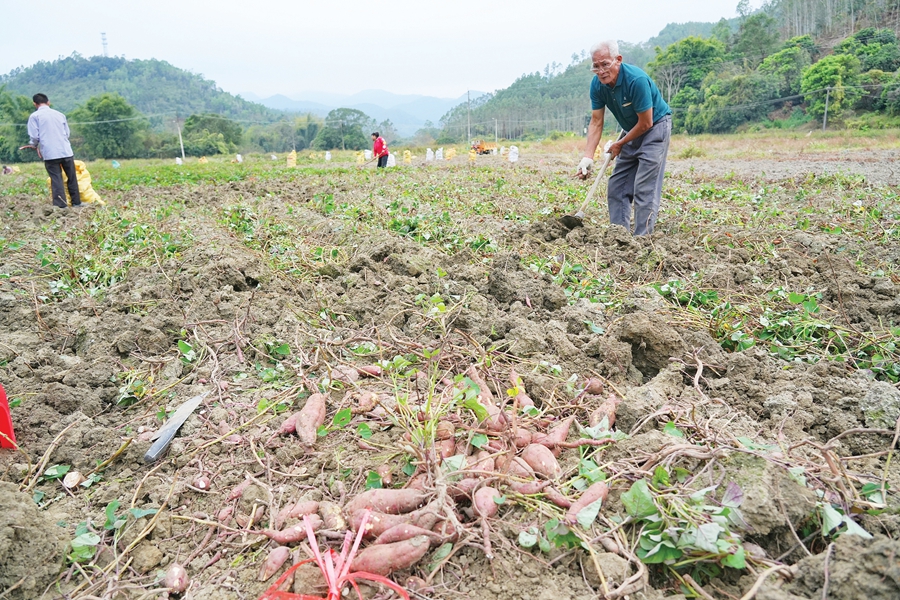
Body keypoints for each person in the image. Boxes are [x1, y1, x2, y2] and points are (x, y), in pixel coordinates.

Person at [577, 40, 671, 236]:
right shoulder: (598, 85)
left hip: (655, 127)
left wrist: (620, 143)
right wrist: (588, 157)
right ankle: (618, 237)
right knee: (617, 186)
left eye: (605, 64)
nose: (601, 71)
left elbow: (646, 123)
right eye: (596, 66)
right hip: (630, 130)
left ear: (618, 60)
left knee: (644, 187)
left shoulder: (636, 80)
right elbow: (596, 122)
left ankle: (642, 239)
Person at [26, 93, 81, 208]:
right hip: (66, 151)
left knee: (56, 179)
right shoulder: (60, 114)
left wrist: (34, 145)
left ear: (35, 104)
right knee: (72, 177)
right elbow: (67, 133)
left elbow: (35, 136)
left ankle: (61, 206)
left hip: (50, 153)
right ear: (48, 102)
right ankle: (76, 202)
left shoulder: (34, 117)